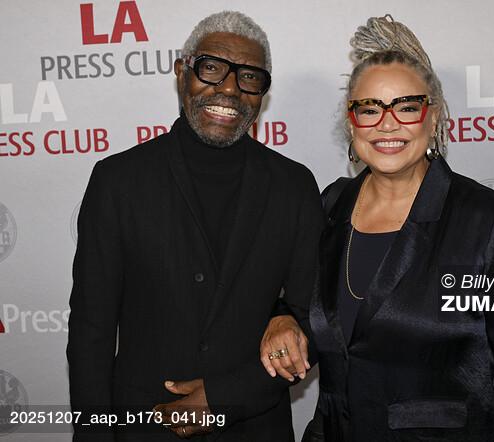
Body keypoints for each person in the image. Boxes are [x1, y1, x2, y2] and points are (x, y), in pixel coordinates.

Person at [260, 14, 494, 442]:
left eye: (407, 107)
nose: (387, 123)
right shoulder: (332, 205)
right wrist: (280, 316)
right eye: (369, 109)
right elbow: (305, 305)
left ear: (433, 118)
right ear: (351, 122)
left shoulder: (485, 218)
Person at [67, 10, 323, 442]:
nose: (229, 88)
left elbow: (315, 322)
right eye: (212, 68)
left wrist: (225, 397)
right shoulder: (118, 181)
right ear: (181, 72)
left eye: (249, 77)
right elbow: (91, 330)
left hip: (254, 428)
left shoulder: (294, 186)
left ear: (262, 92)